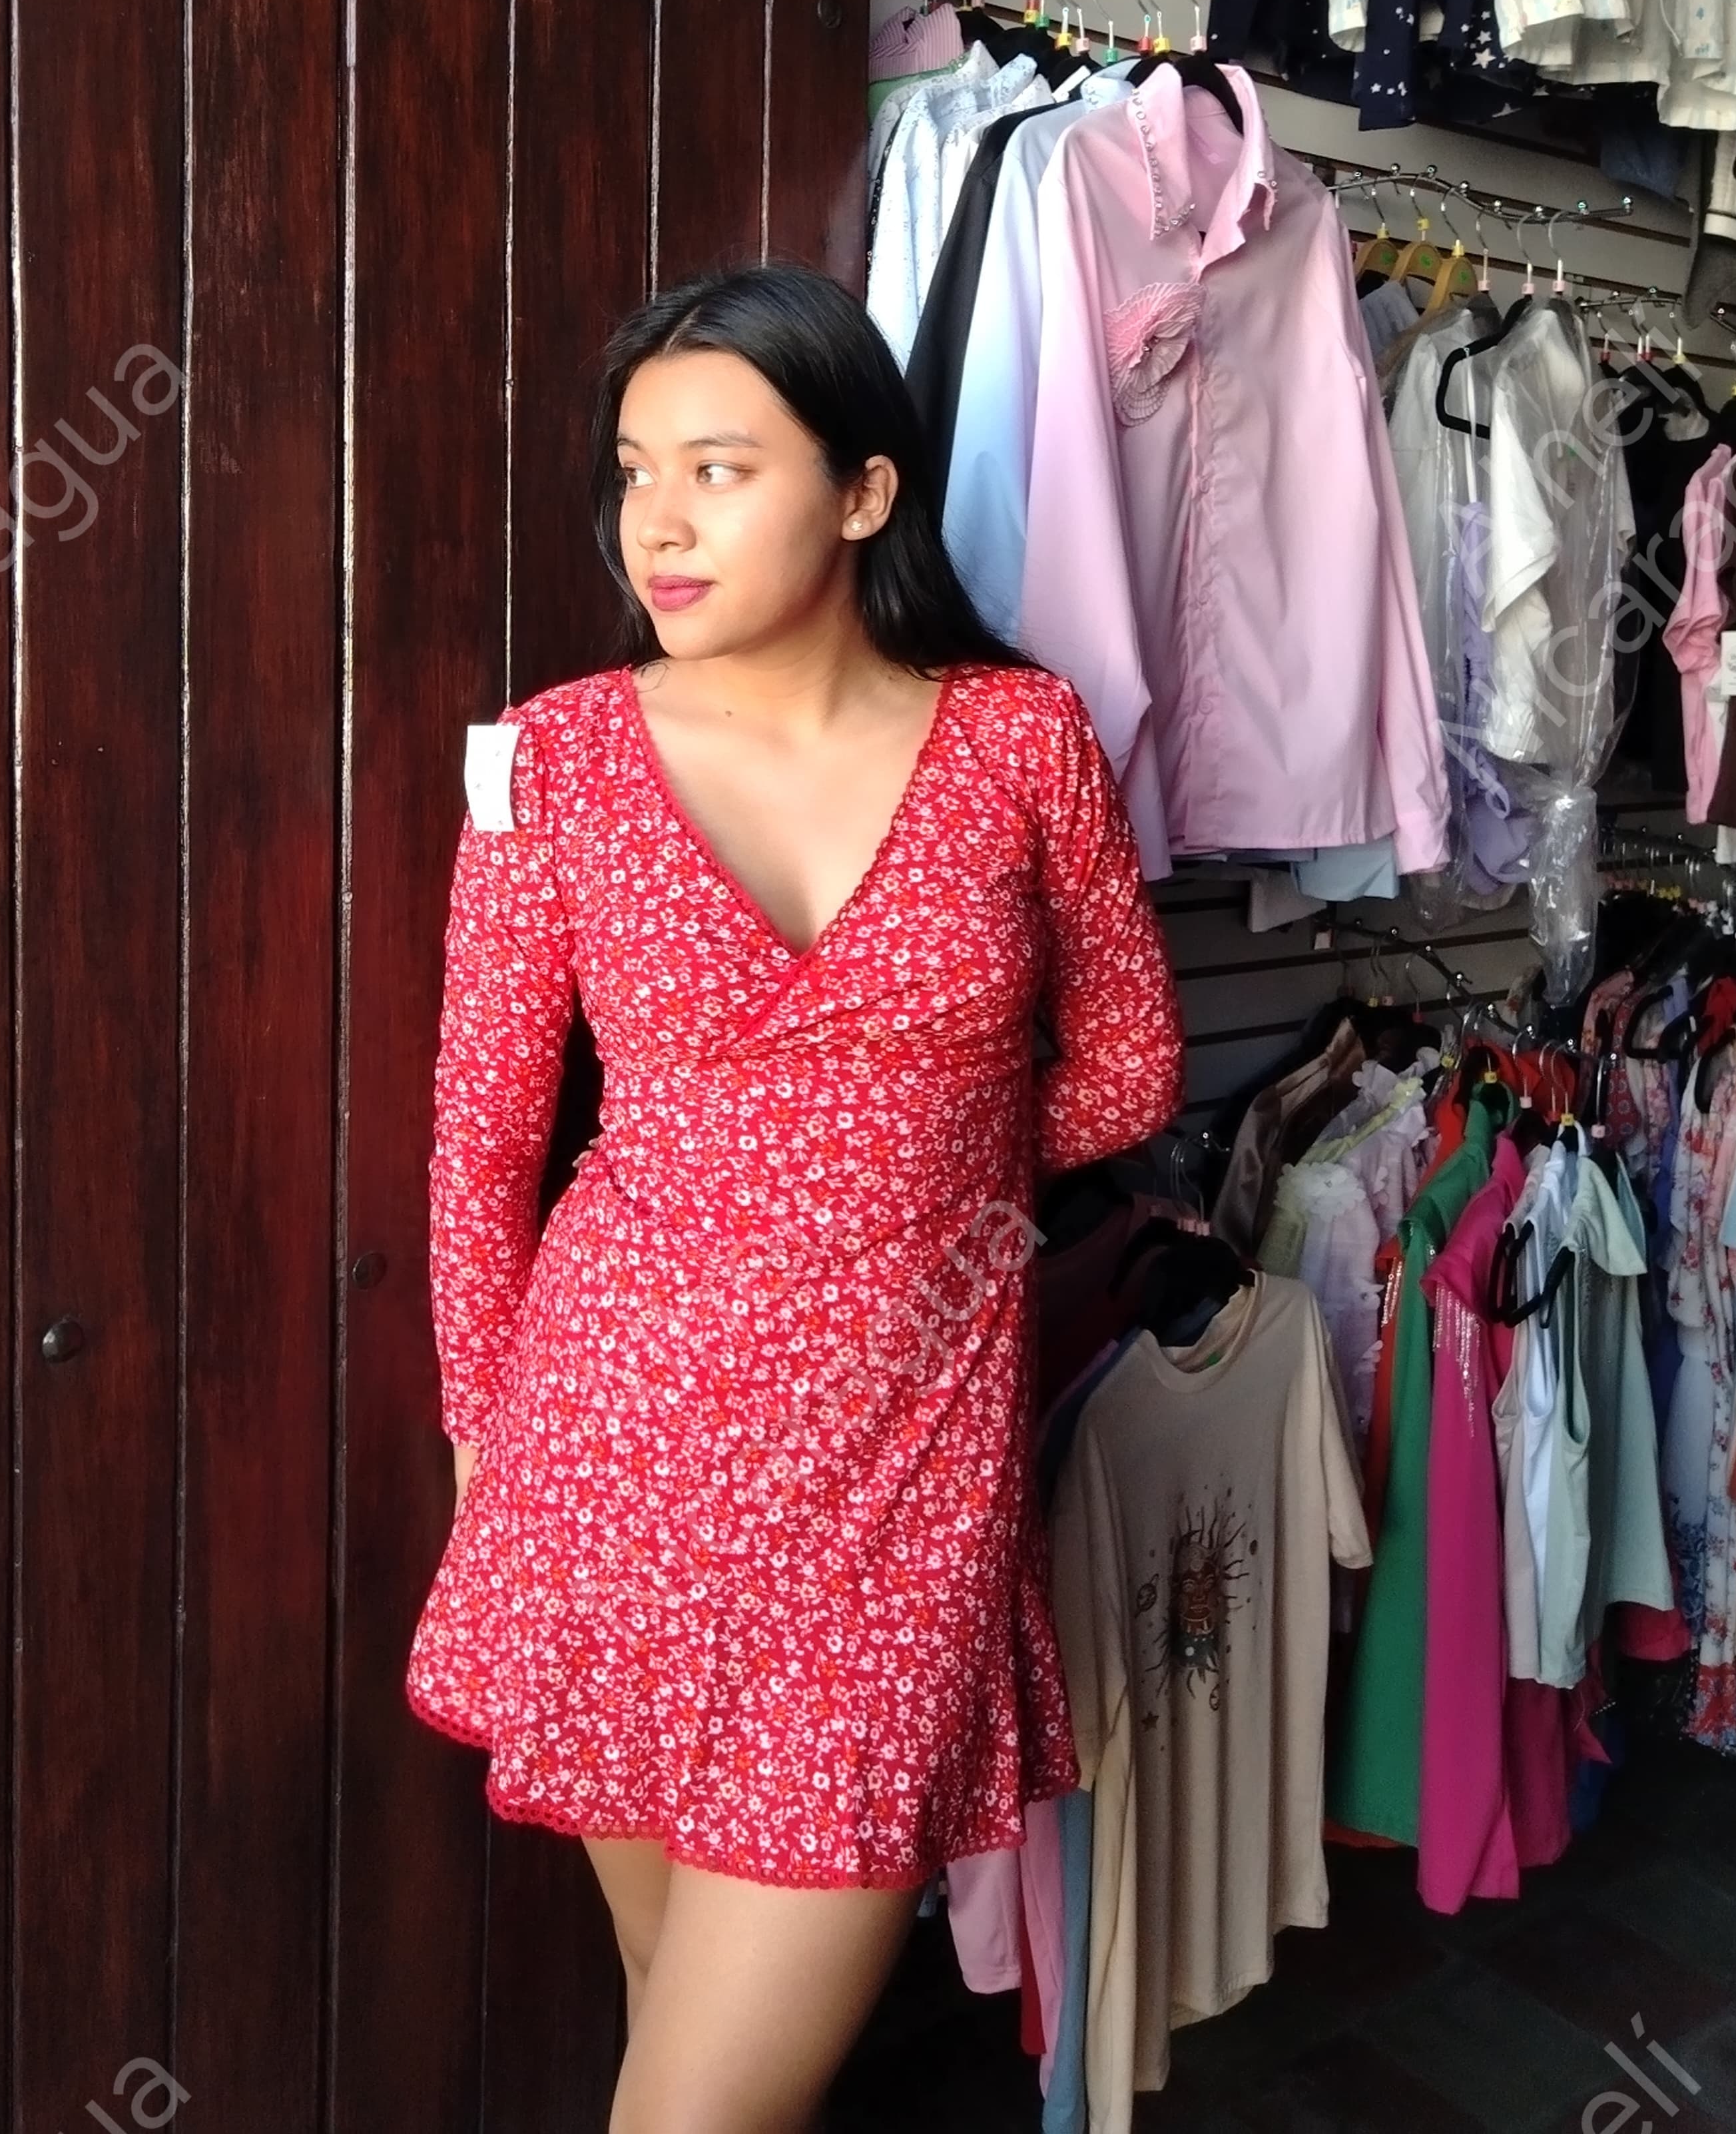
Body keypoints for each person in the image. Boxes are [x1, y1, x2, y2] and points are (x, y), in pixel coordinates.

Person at [406, 261, 1185, 2133]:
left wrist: (913, 1190)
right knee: (677, 2007)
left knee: (696, 2109)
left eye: (719, 467)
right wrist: (483, 1445)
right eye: (630, 472)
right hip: (601, 1462)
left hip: (895, 1475)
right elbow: (482, 1142)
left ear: (863, 491)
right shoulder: (553, 759)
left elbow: (1138, 1064)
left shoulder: (1021, 740)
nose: (653, 522)